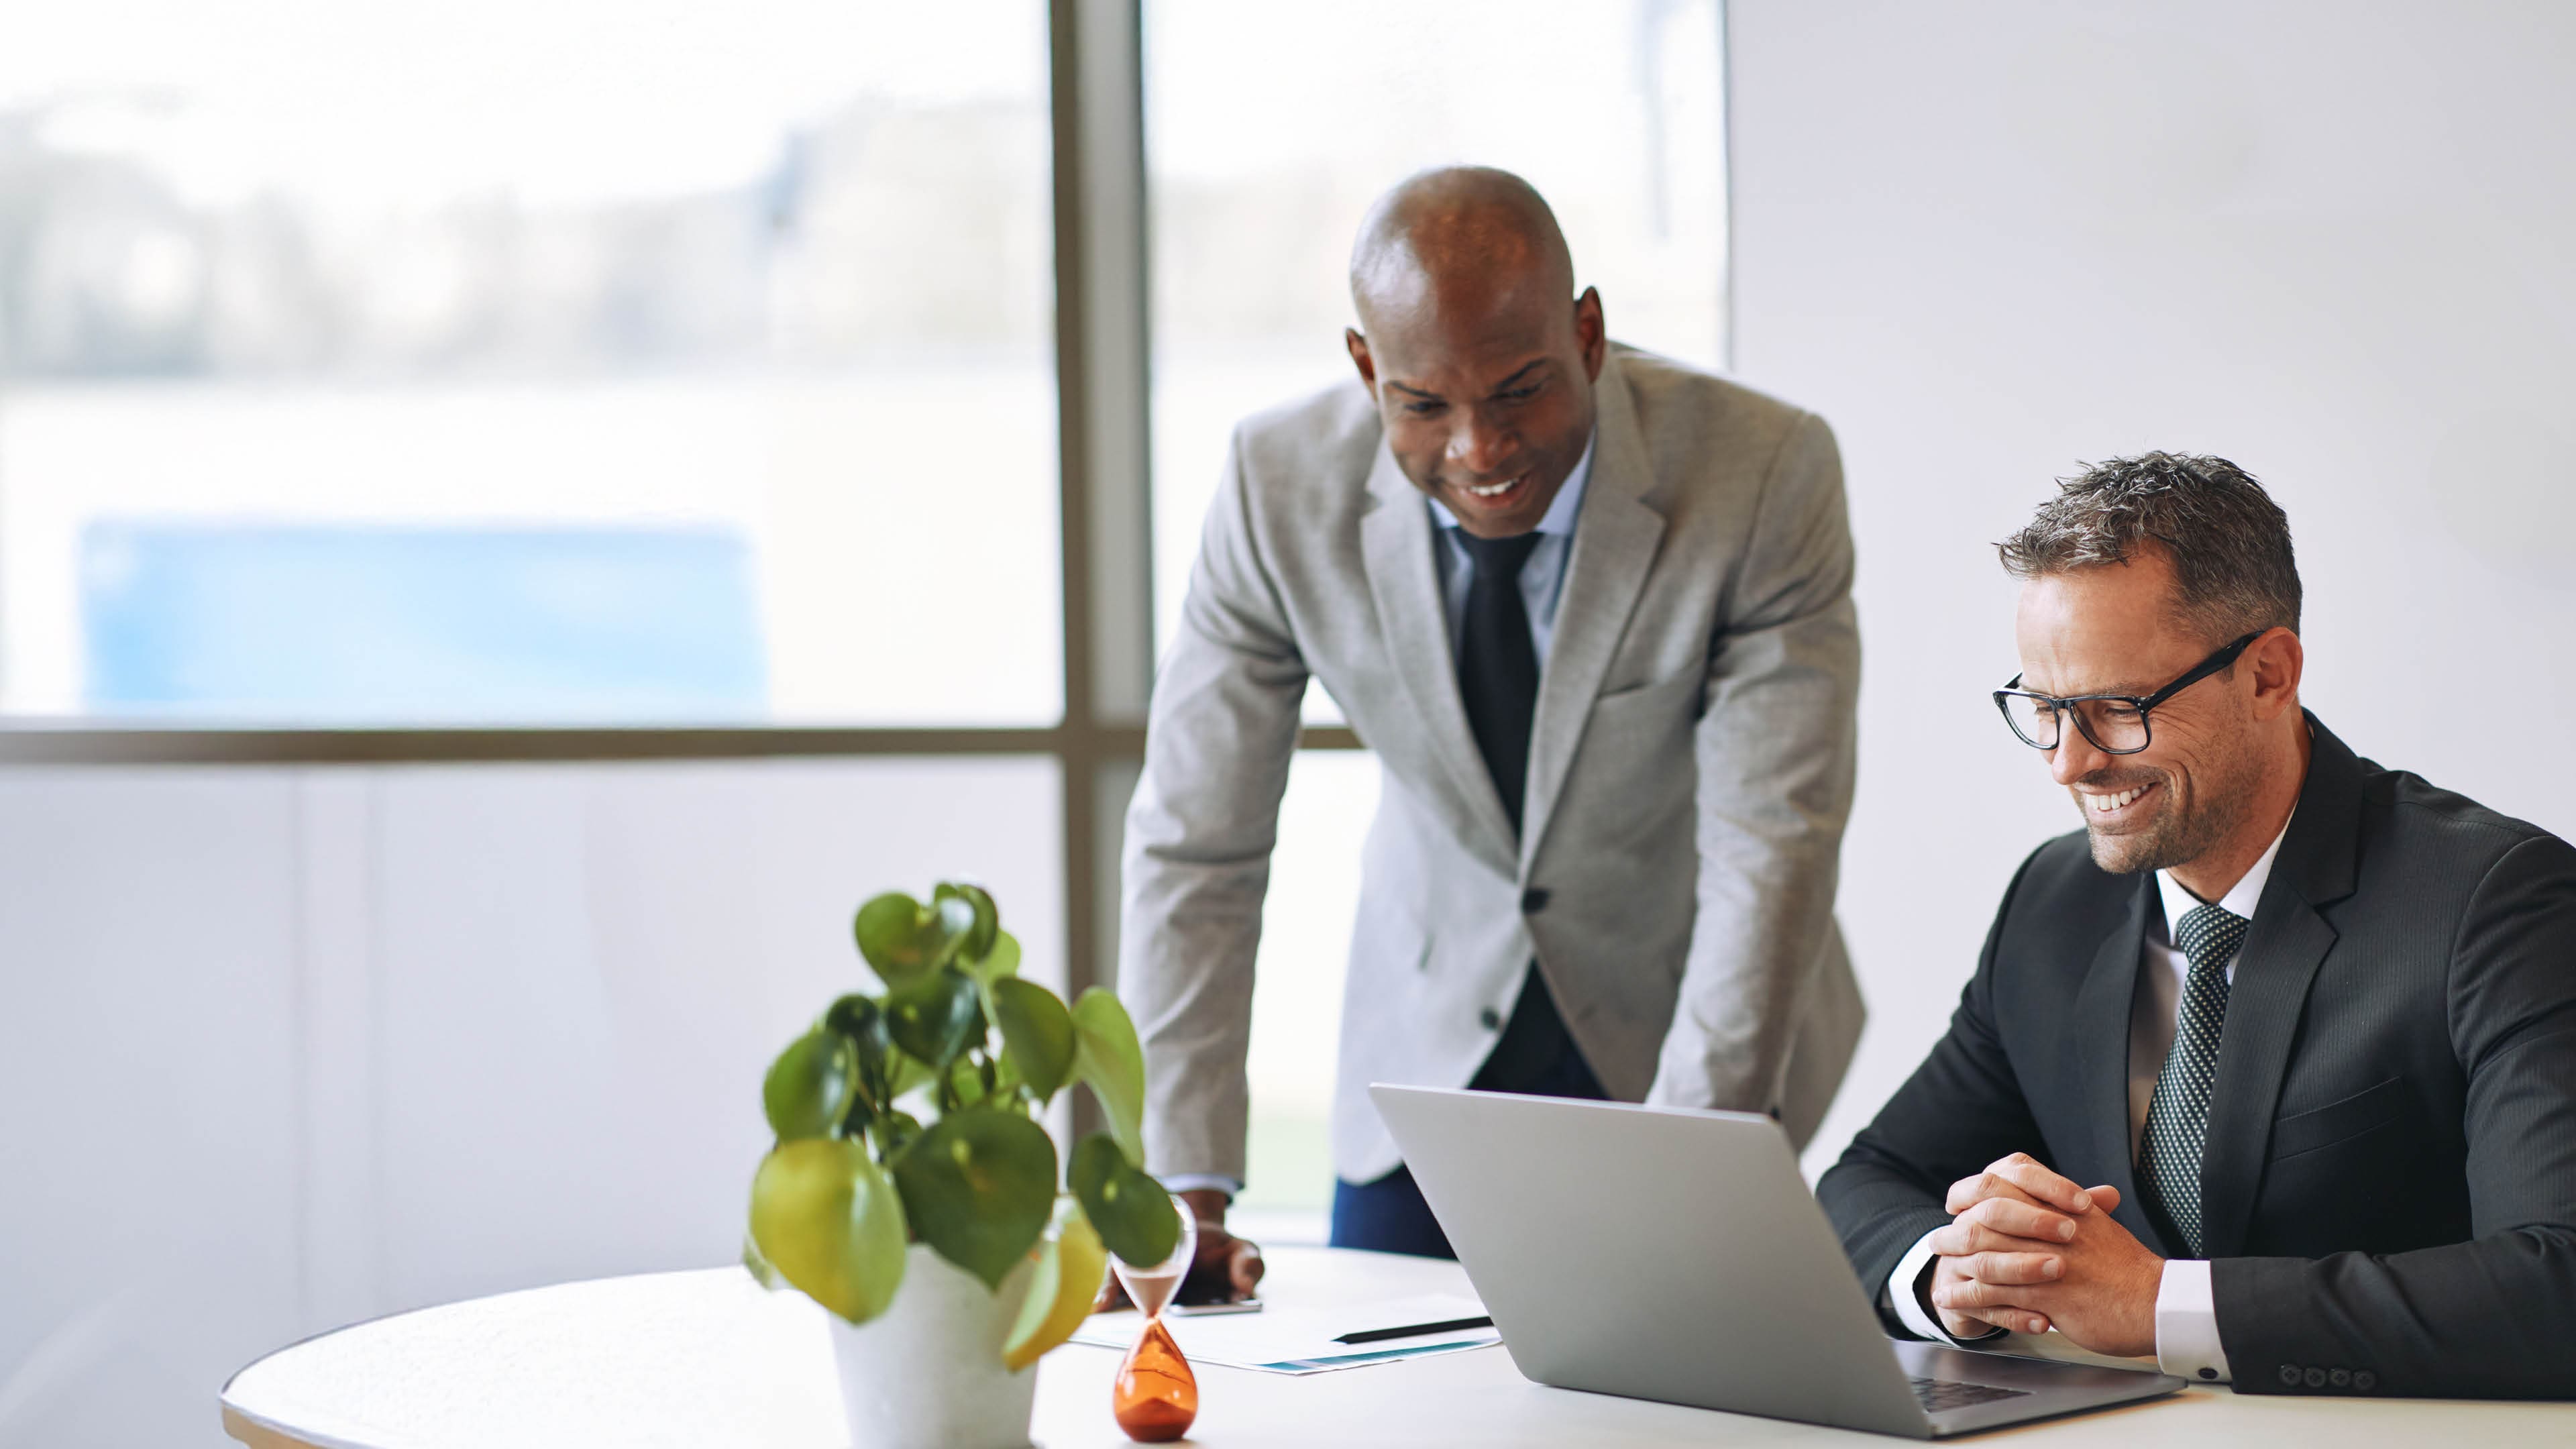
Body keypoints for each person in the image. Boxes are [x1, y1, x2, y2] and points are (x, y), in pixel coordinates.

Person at [1120, 165, 1865, 1295]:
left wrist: (1690, 1161)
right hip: (1425, 1043)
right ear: (1368, 369)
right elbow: (1197, 846)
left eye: (1520, 391)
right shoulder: (1276, 488)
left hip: (1684, 1029)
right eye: (1425, 405)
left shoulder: (1761, 473)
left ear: (1590, 334)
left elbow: (1774, 842)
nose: (1480, 450)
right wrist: (1183, 1192)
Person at [1818, 453, 2576, 1397]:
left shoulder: (2496, 901)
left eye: (2118, 710)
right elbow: (1869, 1179)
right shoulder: (2054, 904)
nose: (2070, 765)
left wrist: (2158, 1307)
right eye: (2045, 711)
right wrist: (1955, 1272)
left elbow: (2557, 1281)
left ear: (2269, 672)